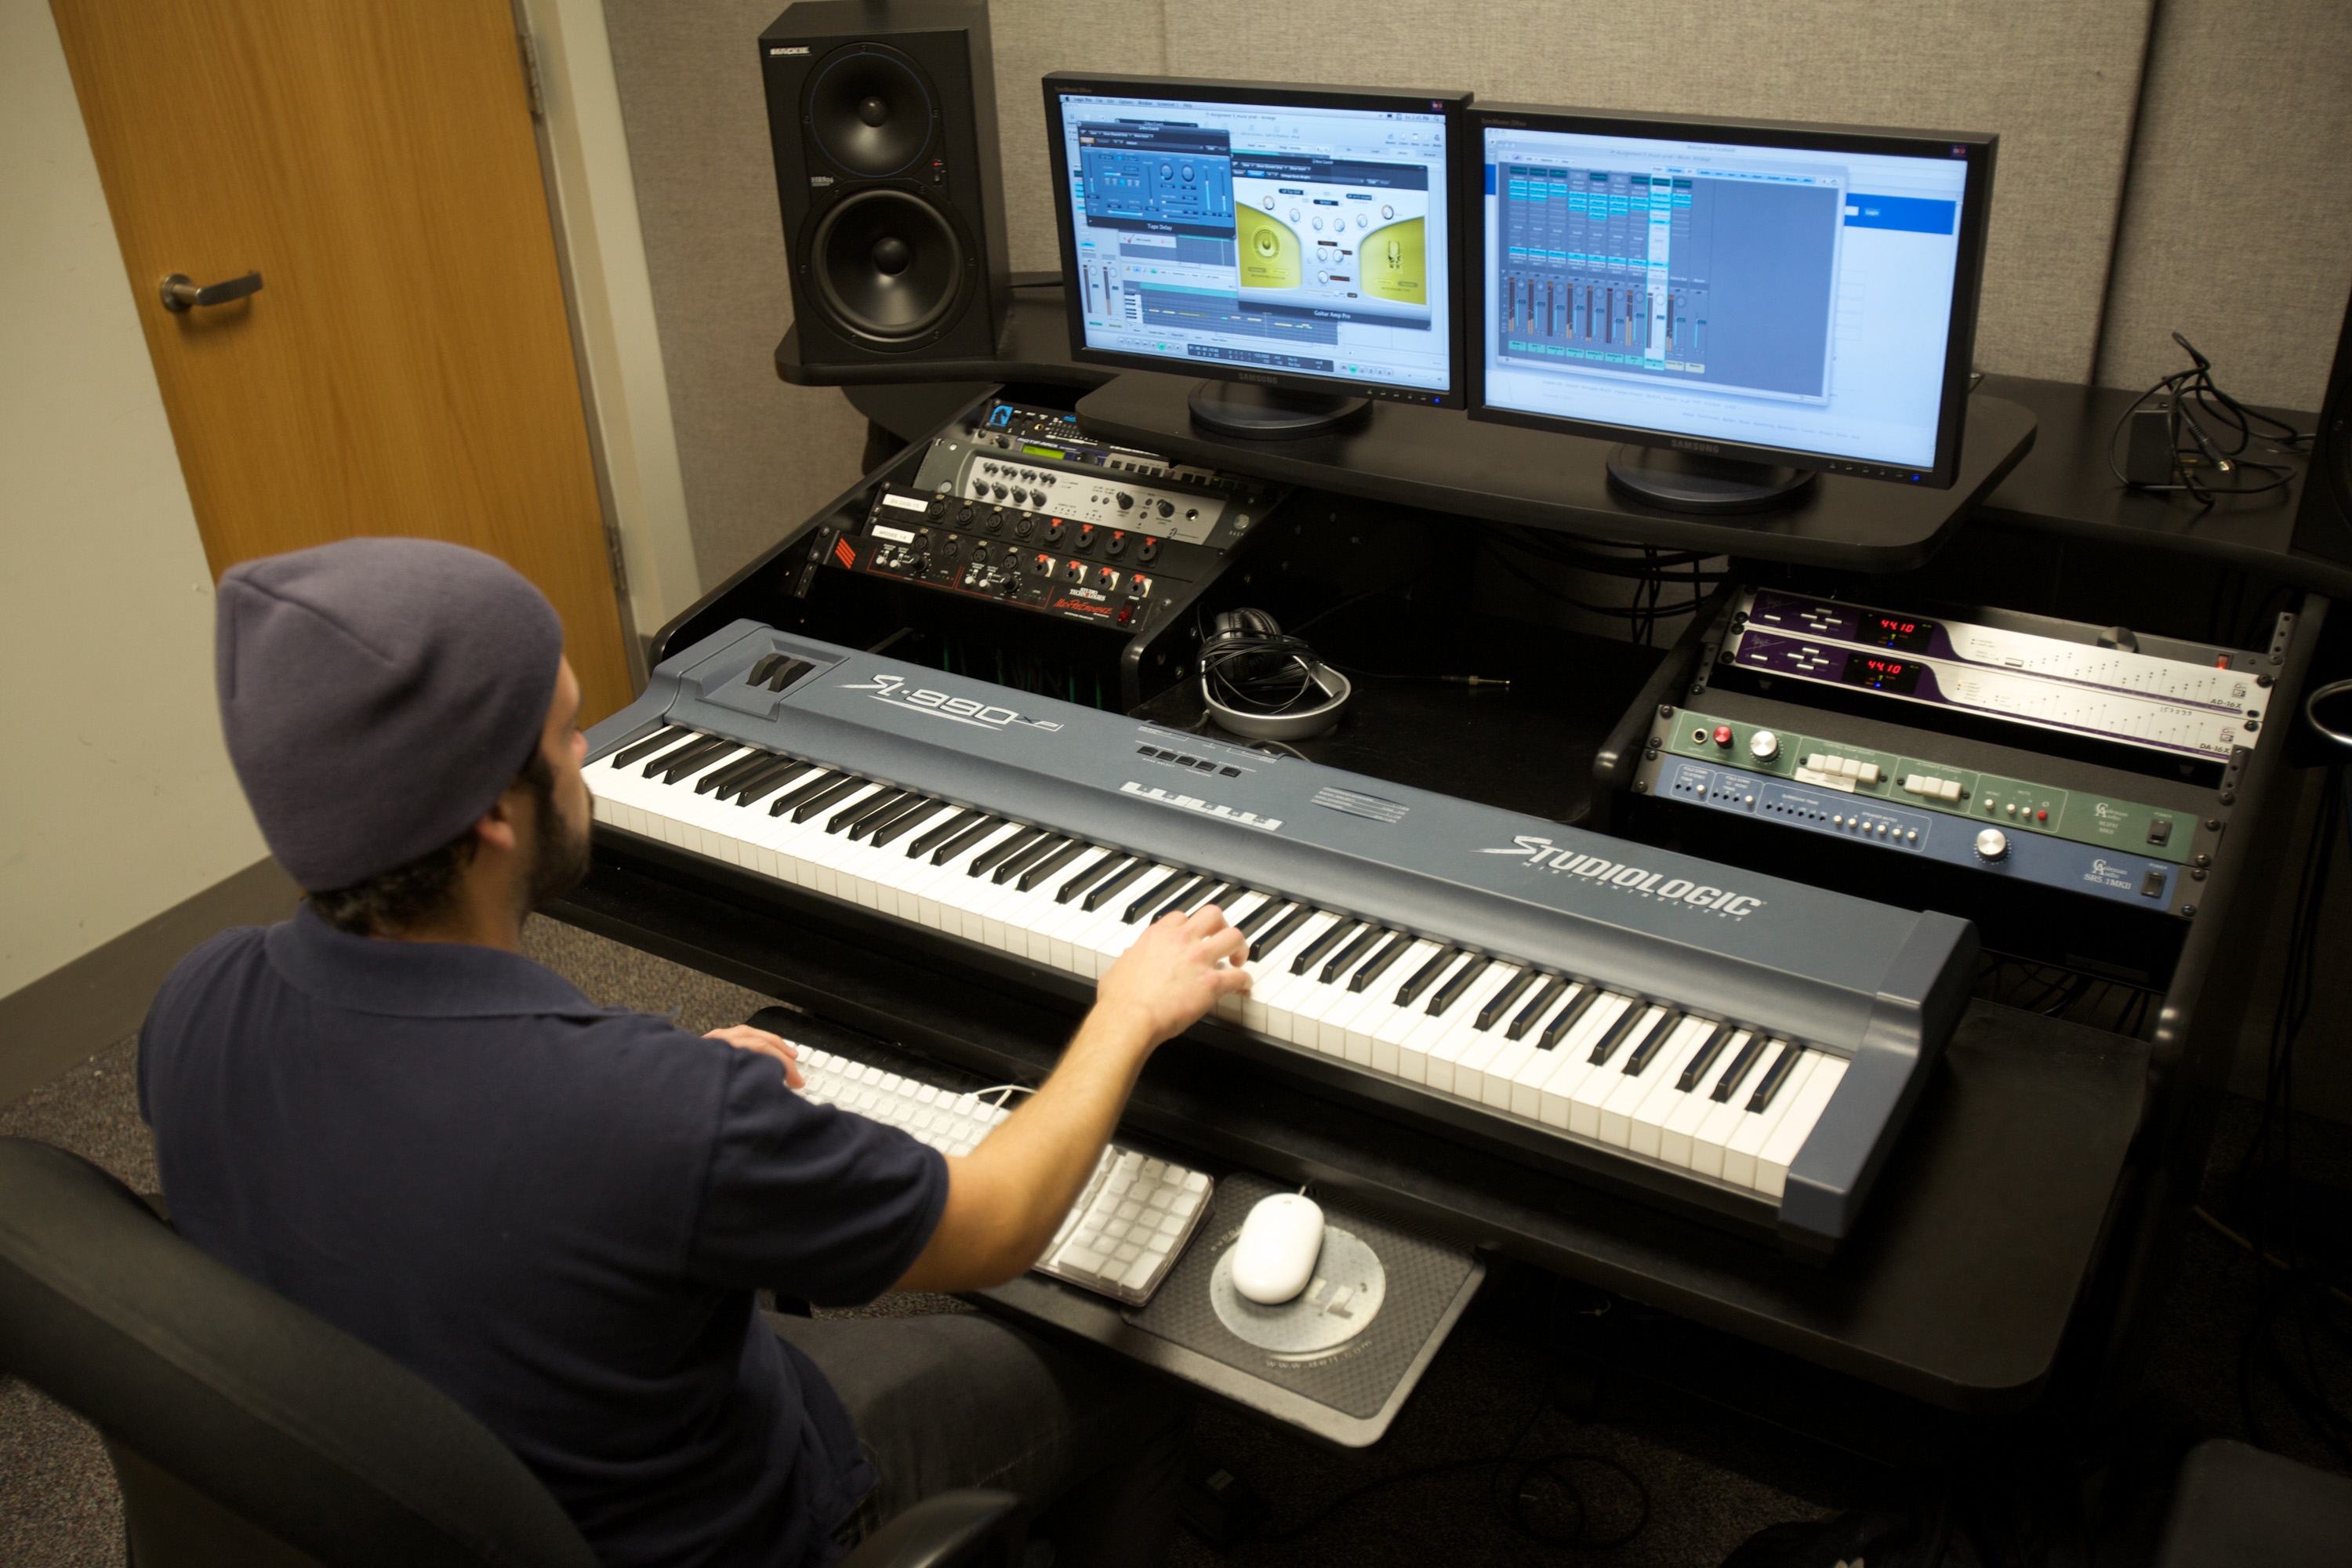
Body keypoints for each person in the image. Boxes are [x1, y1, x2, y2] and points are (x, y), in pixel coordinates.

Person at [140, 538, 1252, 1567]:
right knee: (1141, 1375)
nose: (589, 755)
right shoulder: (648, 1111)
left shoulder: (197, 998)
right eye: (566, 733)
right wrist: (1126, 1013)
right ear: (493, 816)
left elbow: (438, 1142)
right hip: (740, 1519)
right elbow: (997, 1226)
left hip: (447, 1486)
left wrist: (674, 1105)